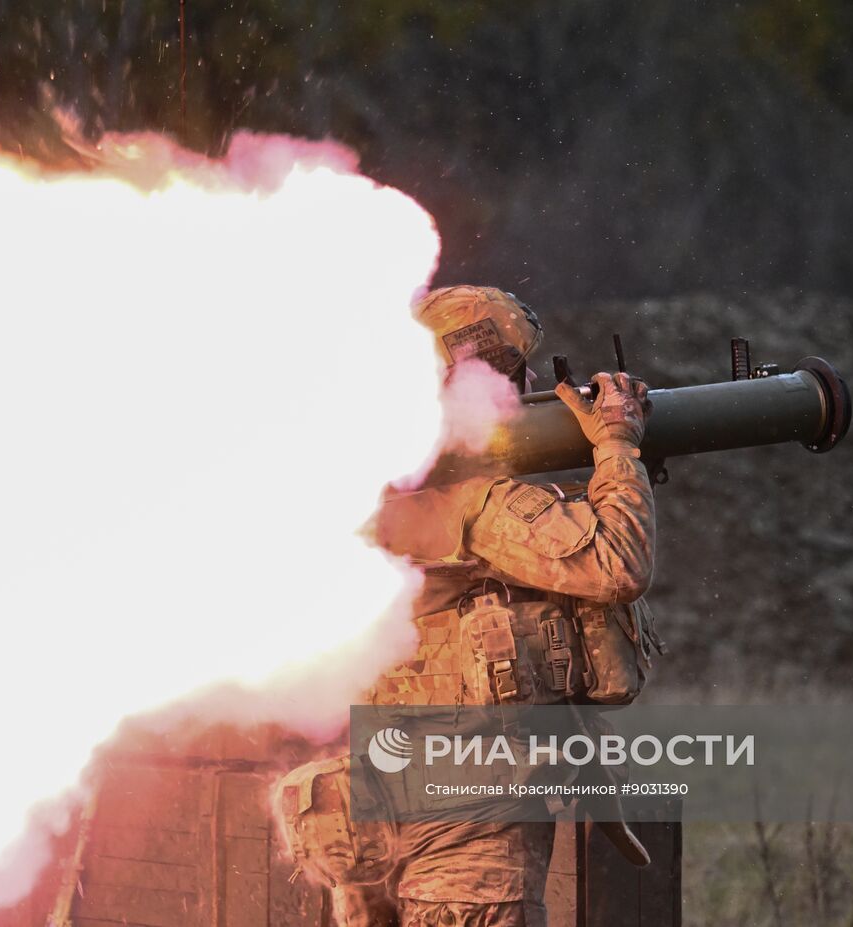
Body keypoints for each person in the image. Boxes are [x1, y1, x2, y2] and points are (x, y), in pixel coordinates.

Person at [276, 286, 658, 927]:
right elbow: (618, 564)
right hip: (472, 835)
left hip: (398, 796)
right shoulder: (469, 503)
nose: (531, 385)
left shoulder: (383, 491)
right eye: (515, 374)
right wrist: (617, 444)